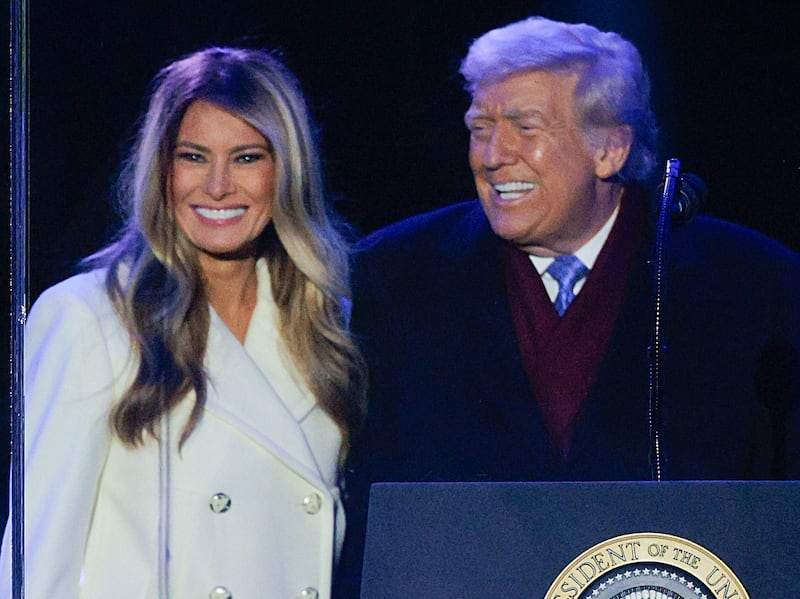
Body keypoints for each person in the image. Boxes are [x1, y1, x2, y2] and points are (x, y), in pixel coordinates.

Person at [335, 16, 800, 596]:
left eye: (524, 127)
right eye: (480, 127)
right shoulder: (391, 278)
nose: (492, 155)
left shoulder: (757, 290)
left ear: (609, 147)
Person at [1, 46, 366, 598]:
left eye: (246, 158)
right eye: (193, 157)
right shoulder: (91, 318)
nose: (217, 186)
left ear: (286, 172)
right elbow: (37, 561)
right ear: (161, 172)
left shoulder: (323, 325)